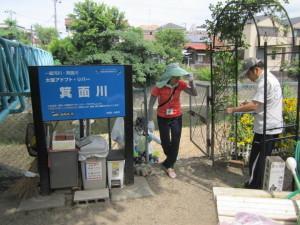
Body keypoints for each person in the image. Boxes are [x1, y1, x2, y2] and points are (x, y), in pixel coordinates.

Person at [226, 57, 283, 189]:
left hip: (266, 128)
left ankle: (252, 187)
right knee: (262, 159)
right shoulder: (270, 78)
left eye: (248, 74)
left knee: (256, 160)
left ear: (256, 70)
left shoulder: (265, 82)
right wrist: (248, 104)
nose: (248, 77)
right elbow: (260, 104)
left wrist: (233, 109)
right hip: (272, 126)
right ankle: (257, 184)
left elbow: (254, 106)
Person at [148, 63, 197, 178]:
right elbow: (150, 105)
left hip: (176, 116)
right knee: (165, 142)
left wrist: (191, 81)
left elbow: (194, 93)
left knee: (175, 141)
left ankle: (169, 166)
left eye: (179, 76)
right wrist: (150, 120)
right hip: (162, 117)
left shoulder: (180, 84)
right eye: (176, 76)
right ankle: (169, 162)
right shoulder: (159, 87)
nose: (179, 78)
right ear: (170, 76)